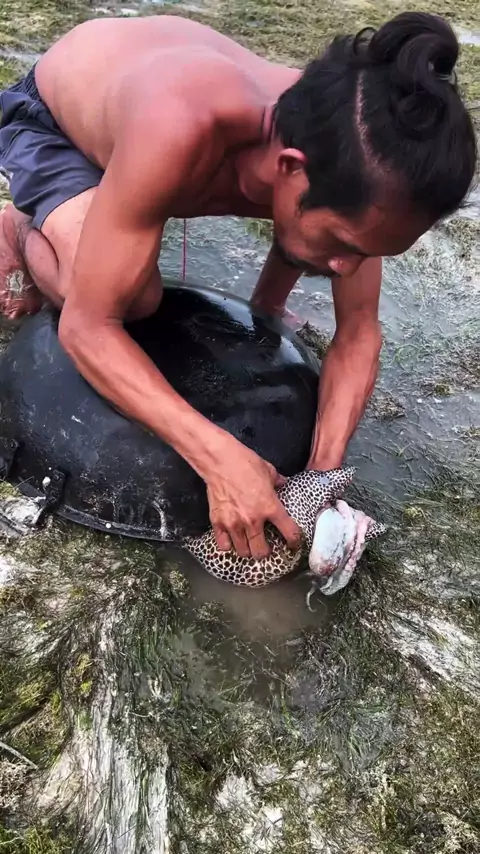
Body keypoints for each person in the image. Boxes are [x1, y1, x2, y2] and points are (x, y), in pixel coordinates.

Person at [0, 12, 476, 561]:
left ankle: (106, 218)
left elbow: (358, 334)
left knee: (305, 243)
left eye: (370, 252)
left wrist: (319, 479)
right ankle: (21, 227)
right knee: (133, 300)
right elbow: (88, 328)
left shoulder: (356, 156)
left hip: (149, 134)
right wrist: (218, 458)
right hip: (54, 123)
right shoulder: (184, 127)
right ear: (290, 167)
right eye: (345, 243)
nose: (348, 268)